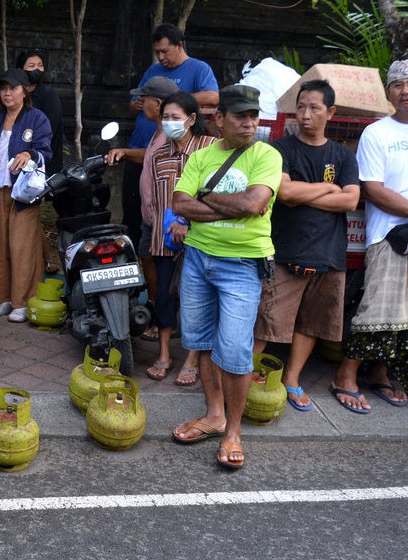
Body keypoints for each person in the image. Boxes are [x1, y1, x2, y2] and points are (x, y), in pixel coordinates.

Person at [170, 84, 281, 470]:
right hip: (198, 260)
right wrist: (232, 207)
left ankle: (234, 430)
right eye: (240, 116)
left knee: (234, 351)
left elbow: (254, 203)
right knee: (201, 341)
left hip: (242, 265)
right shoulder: (201, 156)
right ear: (220, 119)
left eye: (254, 116)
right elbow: (179, 203)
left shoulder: (266, 155)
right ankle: (214, 415)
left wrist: (206, 199)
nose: (249, 123)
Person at [252, 80, 359, 411]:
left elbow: (351, 200)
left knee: (313, 322)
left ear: (331, 112)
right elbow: (285, 193)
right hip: (285, 249)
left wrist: (305, 193)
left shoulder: (342, 155)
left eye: (314, 108)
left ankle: (292, 378)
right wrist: (329, 189)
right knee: (267, 320)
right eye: (301, 107)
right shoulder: (280, 149)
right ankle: (244, 376)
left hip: (328, 252)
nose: (306, 114)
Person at [331, 60, 408, 408]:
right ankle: (345, 375)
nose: (405, 91)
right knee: (377, 308)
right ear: (388, 93)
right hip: (389, 234)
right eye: (397, 85)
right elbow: (372, 188)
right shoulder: (377, 132)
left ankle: (380, 373)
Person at [122, 23, 219, 249]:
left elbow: (213, 97)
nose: (161, 57)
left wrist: (174, 101)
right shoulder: (153, 70)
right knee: (134, 210)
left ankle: (160, 251)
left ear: (179, 46)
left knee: (163, 210)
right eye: (157, 52)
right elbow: (132, 106)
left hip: (172, 152)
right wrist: (137, 104)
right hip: (141, 146)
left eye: (165, 51)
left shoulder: (198, 68)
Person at [145, 91, 214, 385]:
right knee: (164, 296)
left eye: (175, 117)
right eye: (166, 117)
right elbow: (157, 199)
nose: (169, 122)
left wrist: (187, 222)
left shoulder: (209, 148)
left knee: (197, 299)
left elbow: (215, 193)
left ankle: (192, 359)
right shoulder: (159, 154)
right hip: (165, 240)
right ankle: (164, 354)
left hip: (201, 238)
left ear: (192, 119)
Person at [0, 69, 52, 323]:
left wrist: (30, 154)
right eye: (3, 89)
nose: (7, 93)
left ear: (24, 91)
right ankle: (2, 298)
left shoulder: (36, 118)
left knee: (22, 246)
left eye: (13, 88)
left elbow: (45, 150)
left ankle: (23, 301)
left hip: (23, 193)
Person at [107, 76, 179, 344]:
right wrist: (126, 152)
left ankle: (166, 323)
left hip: (165, 218)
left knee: (164, 271)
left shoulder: (172, 136)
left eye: (144, 99)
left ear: (157, 103)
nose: (140, 103)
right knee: (147, 258)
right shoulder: (157, 131)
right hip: (151, 217)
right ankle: (157, 311)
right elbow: (147, 156)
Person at [17, 47, 63, 275]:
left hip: (42, 163)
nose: (37, 70)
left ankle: (47, 257)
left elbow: (47, 134)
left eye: (40, 66)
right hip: (17, 162)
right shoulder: (15, 94)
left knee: (31, 209)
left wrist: (30, 154)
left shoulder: (48, 96)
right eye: (31, 66)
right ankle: (44, 257)